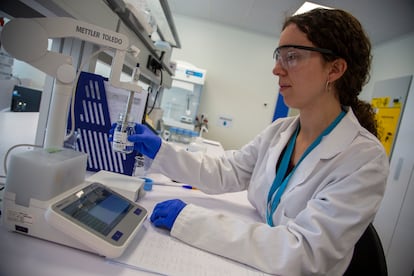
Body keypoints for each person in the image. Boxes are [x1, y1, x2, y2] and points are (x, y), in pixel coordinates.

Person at [123, 8, 389, 275]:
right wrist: (163, 152)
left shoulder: (363, 159)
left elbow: (304, 252)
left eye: (292, 56)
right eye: (278, 56)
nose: (276, 69)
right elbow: (227, 171)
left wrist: (190, 220)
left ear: (335, 69)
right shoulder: (279, 131)